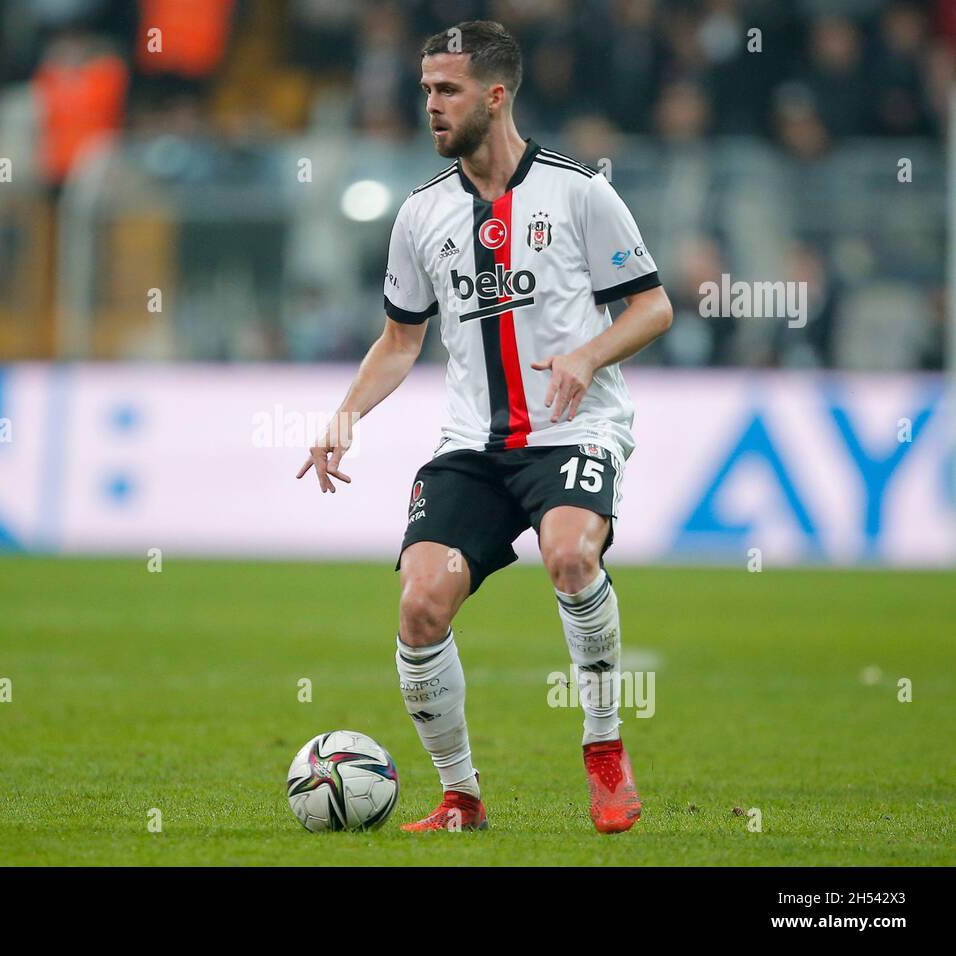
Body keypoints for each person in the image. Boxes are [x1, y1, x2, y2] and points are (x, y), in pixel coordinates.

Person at [296, 20, 673, 834]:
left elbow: (654, 305)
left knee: (571, 554)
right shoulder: (421, 215)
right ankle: (461, 796)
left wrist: (588, 354)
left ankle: (604, 750)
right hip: (473, 444)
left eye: (448, 90)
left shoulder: (580, 191)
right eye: (426, 88)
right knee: (420, 606)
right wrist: (343, 417)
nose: (430, 104)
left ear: (496, 95)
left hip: (573, 430)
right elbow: (401, 340)